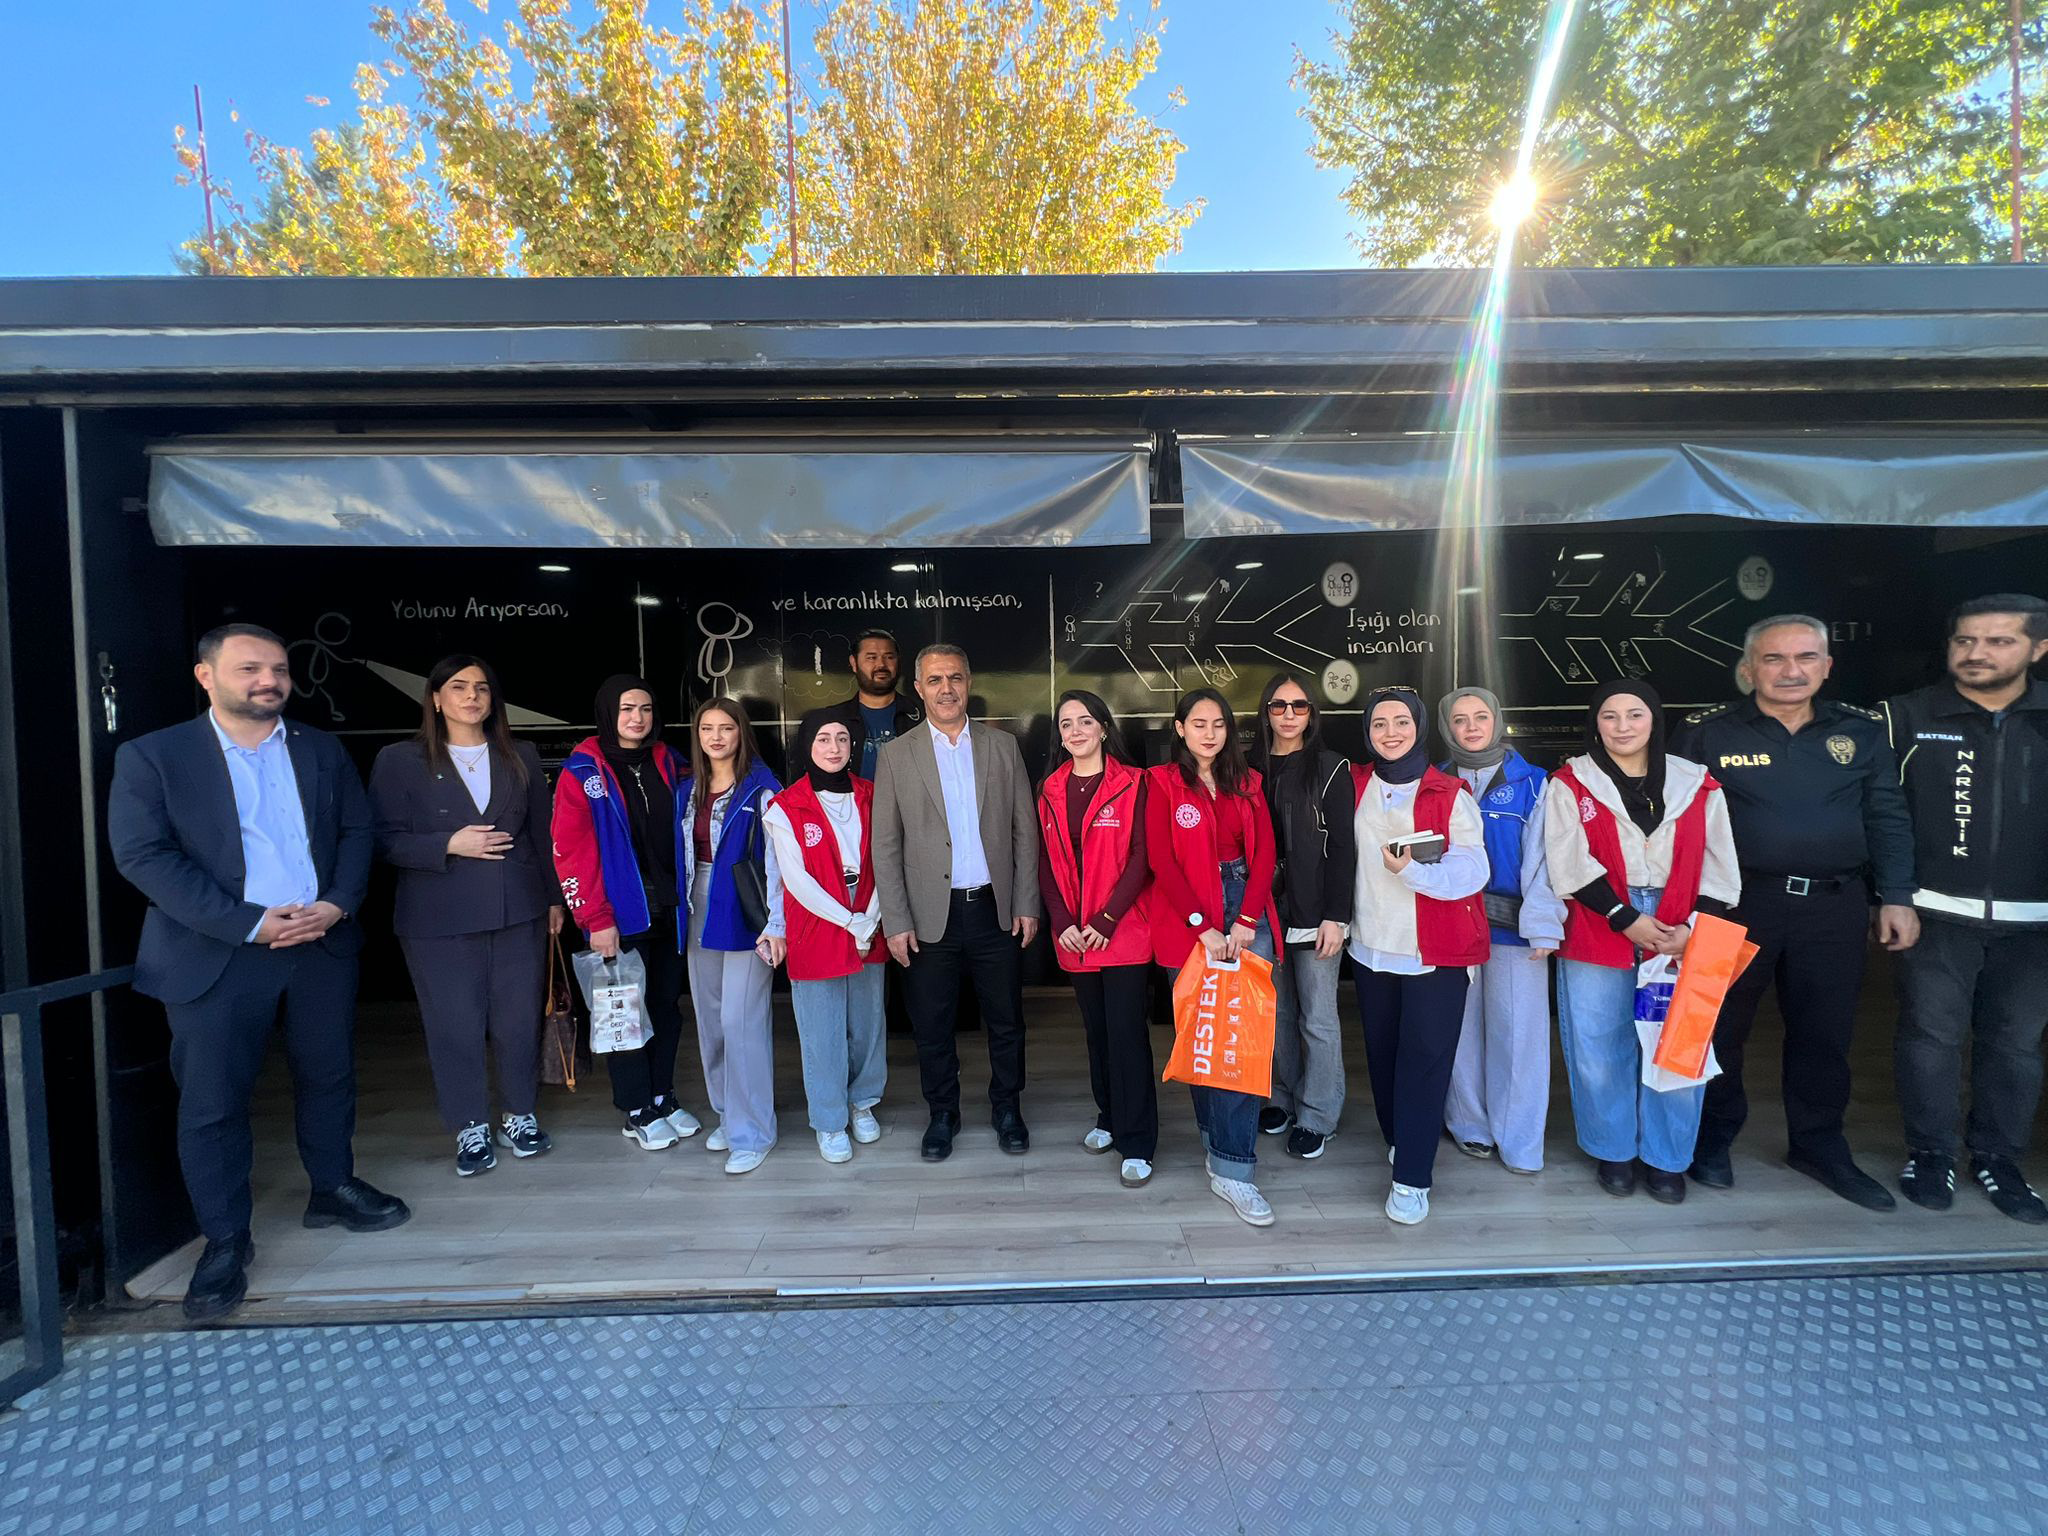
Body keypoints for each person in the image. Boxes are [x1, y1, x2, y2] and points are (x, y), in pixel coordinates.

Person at [108, 623, 409, 1323]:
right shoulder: (154, 756)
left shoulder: (320, 748)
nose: (269, 680)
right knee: (213, 1100)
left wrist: (338, 903)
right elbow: (144, 855)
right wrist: (247, 922)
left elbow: (356, 831)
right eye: (249, 668)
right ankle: (224, 1240)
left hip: (319, 942)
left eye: (277, 668)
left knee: (328, 1075)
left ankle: (332, 1187)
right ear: (205, 675)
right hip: (216, 952)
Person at [1672, 616, 1917, 1211]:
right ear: (1748, 668)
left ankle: (1819, 1145)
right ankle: (1709, 1138)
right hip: (1731, 905)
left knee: (1824, 1033)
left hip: (1833, 906)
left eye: (1806, 657)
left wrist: (1897, 895)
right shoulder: (1706, 732)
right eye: (1774, 658)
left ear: (1827, 666)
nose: (1791, 670)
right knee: (1713, 1028)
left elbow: (1886, 815)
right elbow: (1675, 823)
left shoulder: (1861, 731)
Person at [368, 654, 567, 1177]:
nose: (472, 696)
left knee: (518, 1020)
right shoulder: (399, 760)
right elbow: (380, 839)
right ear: (436, 698)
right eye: (458, 687)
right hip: (438, 918)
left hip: (518, 909)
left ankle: (519, 1114)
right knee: (453, 1024)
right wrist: (447, 843)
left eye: (481, 687)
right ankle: (469, 1125)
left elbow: (542, 834)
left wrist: (554, 900)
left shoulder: (520, 755)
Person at [1543, 680, 1740, 1204]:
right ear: (1595, 723)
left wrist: (1693, 928)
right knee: (1598, 1044)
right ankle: (1613, 1150)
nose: (1623, 726)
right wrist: (1623, 916)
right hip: (1600, 918)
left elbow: (1721, 864)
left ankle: (1667, 1158)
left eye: (1635, 714)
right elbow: (1567, 862)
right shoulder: (1572, 782)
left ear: (1655, 719)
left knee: (1679, 1044)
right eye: (1610, 716)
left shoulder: (1697, 783)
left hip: (1682, 925)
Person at [1884, 593, 2048, 1222]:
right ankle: (1930, 1154)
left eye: (1998, 641)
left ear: (2038, 649)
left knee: (2016, 1046)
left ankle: (1999, 1160)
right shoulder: (1905, 716)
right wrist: (1893, 895)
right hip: (1934, 912)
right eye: (1965, 640)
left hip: (2036, 923)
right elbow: (1884, 815)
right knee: (1930, 1038)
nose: (1976, 653)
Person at [872, 643, 1040, 1162]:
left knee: (1007, 1021)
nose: (946, 689)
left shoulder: (1002, 746)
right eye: (935, 680)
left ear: (969, 683)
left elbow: (1025, 830)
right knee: (932, 1026)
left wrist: (1027, 901)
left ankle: (1007, 1108)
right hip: (927, 916)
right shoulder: (896, 755)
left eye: (955, 678)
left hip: (995, 909)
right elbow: (886, 844)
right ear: (918, 689)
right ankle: (942, 1112)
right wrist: (895, 920)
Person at [1346, 688, 1490, 1226]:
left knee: (1424, 1062)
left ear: (1420, 726)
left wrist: (1411, 872)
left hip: (1435, 951)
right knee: (1382, 1058)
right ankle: (1401, 1140)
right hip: (1371, 946)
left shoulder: (1449, 792)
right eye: (1379, 723)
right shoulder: (1353, 783)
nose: (1391, 732)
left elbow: (1473, 871)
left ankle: (1412, 1177)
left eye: (1401, 721)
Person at [552, 674, 703, 1152]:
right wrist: (595, 919)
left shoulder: (668, 761)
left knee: (666, 1010)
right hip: (616, 917)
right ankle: (636, 1108)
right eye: (626, 709)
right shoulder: (582, 772)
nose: (637, 718)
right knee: (624, 1014)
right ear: (607, 713)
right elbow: (571, 852)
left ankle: (662, 1095)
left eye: (645, 709)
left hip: (668, 910)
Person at [1146, 688, 1279, 1226]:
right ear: (1180, 729)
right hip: (1189, 917)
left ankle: (1233, 1169)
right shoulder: (1161, 783)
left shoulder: (1248, 782)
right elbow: (1161, 860)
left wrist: (1246, 919)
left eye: (1218, 724)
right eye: (1198, 723)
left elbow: (1265, 853)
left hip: (1244, 907)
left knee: (1240, 1039)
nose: (1209, 733)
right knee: (1203, 1036)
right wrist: (1203, 927)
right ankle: (1215, 1139)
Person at [1437, 686, 1564, 1175]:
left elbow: (1546, 860)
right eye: (1460, 719)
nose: (1471, 727)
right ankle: (1469, 1125)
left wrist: (1543, 926)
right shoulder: (1435, 781)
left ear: (1497, 721)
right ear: (1447, 726)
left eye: (1481, 716)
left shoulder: (1534, 783)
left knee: (1519, 1036)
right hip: (1453, 927)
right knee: (1459, 1031)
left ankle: (1520, 1141)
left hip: (1514, 930)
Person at [1038, 690, 1155, 1188]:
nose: (1076, 731)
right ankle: (1108, 1117)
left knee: (1127, 1035)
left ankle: (1138, 1140)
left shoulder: (1135, 783)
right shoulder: (1049, 789)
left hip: (1121, 930)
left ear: (1104, 728)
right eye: (1066, 724)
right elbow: (1045, 861)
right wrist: (1062, 920)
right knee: (1097, 1032)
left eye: (1086, 721)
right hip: (1074, 936)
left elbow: (1142, 857)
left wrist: (1105, 920)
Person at [764, 719, 885, 1164]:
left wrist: (871, 916)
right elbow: (795, 880)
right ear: (806, 745)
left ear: (853, 745)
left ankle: (863, 1101)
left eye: (842, 739)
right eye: (822, 739)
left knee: (868, 1021)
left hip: (870, 908)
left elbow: (887, 859)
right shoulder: (785, 806)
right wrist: (851, 922)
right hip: (818, 918)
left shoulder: (873, 795)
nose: (833, 747)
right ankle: (830, 1120)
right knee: (822, 1029)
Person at [1248, 671, 1356, 1160]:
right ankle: (1281, 1098)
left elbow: (1344, 849)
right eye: (1278, 705)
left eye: (1299, 706)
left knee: (1318, 1018)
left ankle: (1318, 1115)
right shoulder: (1246, 766)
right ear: (1265, 711)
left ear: (1312, 713)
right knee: (1276, 1013)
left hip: (1316, 912)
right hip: (1263, 912)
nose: (1288, 715)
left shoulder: (1332, 767)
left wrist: (1337, 916)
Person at [680, 697, 786, 1175]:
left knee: (742, 1020)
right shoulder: (689, 788)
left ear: (742, 733)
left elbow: (779, 862)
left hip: (746, 907)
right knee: (711, 1019)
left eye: (726, 728)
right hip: (698, 901)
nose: (716, 737)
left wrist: (776, 923)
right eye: (707, 729)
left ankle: (754, 1131)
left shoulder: (763, 788)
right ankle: (728, 1112)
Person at [793, 627, 921, 783]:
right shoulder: (830, 720)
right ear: (854, 663)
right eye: (871, 657)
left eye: (889, 657)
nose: (881, 664)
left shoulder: (921, 716)